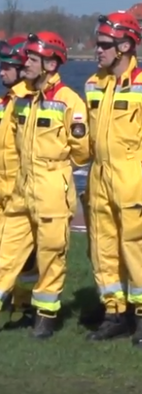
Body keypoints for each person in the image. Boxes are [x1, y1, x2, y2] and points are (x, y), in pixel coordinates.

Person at [84, 11, 142, 346]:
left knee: (134, 245)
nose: (97, 51)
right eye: (98, 44)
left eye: (105, 45)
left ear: (126, 46)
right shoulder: (92, 83)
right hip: (99, 176)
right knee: (103, 247)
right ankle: (113, 312)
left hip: (132, 175)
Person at [0, 31, 90, 338]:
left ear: (51, 64)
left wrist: (55, 170)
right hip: (21, 190)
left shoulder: (69, 101)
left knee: (51, 255)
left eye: (33, 59)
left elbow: (81, 150)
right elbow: (11, 141)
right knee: (6, 253)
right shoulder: (22, 97)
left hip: (52, 190)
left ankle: (45, 316)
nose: (25, 63)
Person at [0, 36, 40, 329]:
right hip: (4, 188)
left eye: (8, 68)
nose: (2, 73)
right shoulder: (8, 100)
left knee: (26, 257)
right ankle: (17, 302)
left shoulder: (27, 100)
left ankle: (26, 304)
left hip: (21, 189)